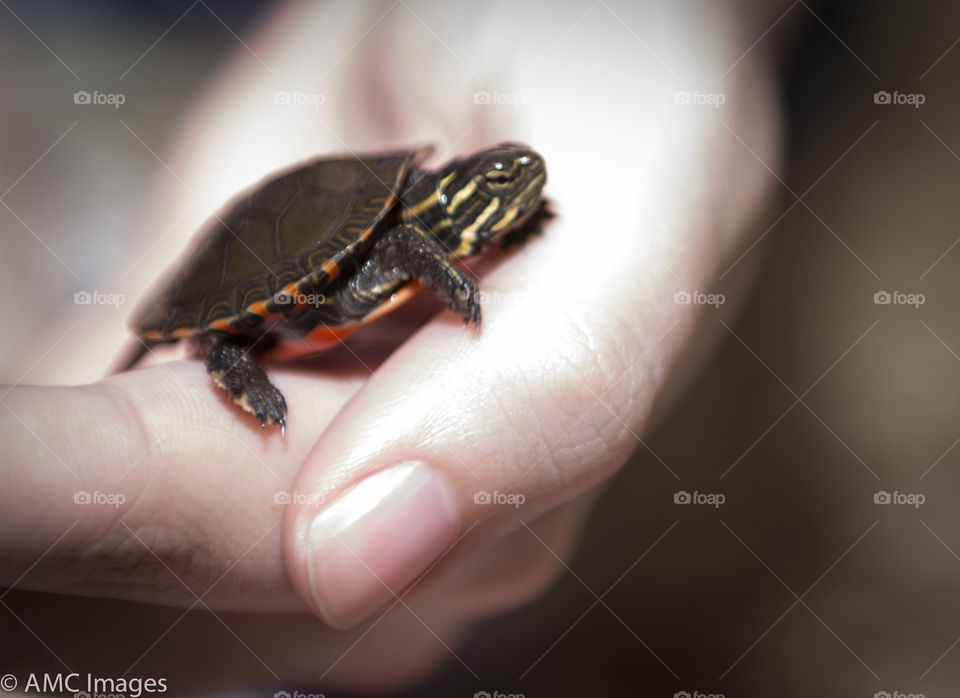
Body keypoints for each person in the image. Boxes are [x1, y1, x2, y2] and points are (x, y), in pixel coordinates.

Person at [1, 0, 786, 691]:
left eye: (515, 184)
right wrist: (456, 281)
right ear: (456, 194)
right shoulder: (409, 243)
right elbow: (412, 250)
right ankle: (230, 360)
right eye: (500, 181)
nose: (521, 181)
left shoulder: (424, 215)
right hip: (279, 277)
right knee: (246, 332)